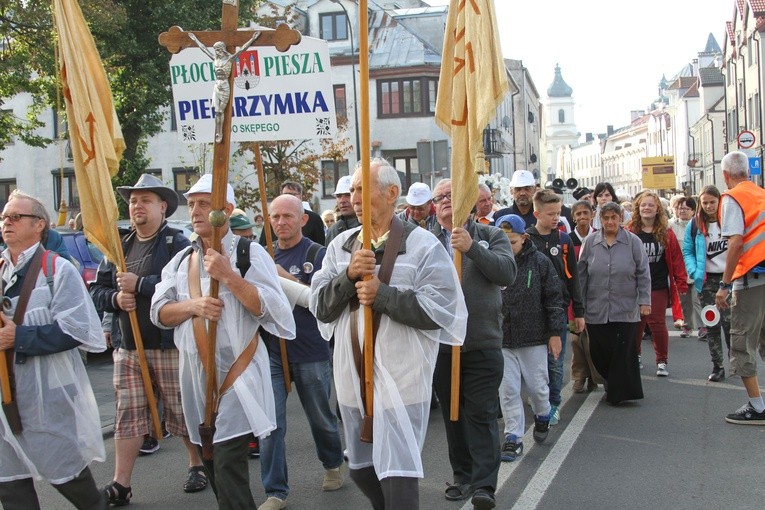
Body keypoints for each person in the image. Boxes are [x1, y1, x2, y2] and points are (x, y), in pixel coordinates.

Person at [310, 160, 468, 510]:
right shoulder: (340, 247)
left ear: (392, 193)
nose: (353, 197)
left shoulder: (423, 245)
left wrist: (383, 295)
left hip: (403, 377)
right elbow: (320, 306)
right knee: (361, 469)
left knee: (398, 473)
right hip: (353, 379)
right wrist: (347, 277)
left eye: (362, 189)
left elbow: (443, 310)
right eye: (351, 190)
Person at [150, 174, 296, 509]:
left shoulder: (249, 252)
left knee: (229, 461)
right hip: (196, 379)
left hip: (238, 377)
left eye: (204, 204)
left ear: (226, 210)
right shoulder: (181, 261)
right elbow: (159, 312)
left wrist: (230, 276)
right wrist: (193, 306)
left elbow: (274, 311)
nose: (196, 211)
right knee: (212, 460)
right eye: (191, 204)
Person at [89, 174, 206, 505]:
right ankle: (120, 483)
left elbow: (185, 286)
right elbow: (97, 290)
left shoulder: (177, 244)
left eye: (145, 200)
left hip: (169, 345)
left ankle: (197, 463)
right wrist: (115, 300)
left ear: (163, 207)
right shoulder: (118, 246)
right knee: (128, 413)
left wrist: (139, 285)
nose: (136, 206)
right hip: (129, 348)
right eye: (132, 200)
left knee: (181, 411)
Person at [0, 190, 107, 510]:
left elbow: (78, 330)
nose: (7, 222)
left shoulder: (57, 270)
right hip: (2, 391)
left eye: (16, 217)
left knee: (67, 472)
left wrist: (19, 337)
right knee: (8, 481)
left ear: (39, 225)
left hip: (46, 392)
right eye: (5, 217)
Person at [430, 178, 516, 509]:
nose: (446, 201)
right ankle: (462, 475)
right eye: (440, 198)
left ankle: (484, 485)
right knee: (453, 415)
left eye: (453, 195)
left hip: (481, 343)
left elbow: (506, 273)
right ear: (434, 207)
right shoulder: (425, 241)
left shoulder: (490, 235)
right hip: (440, 345)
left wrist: (471, 248)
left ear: (468, 200)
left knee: (480, 413)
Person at [258, 194, 344, 510]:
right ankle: (275, 490)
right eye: (275, 217)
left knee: (321, 417)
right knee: (270, 424)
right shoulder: (260, 254)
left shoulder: (317, 254)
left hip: (310, 348)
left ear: (303, 219)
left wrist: (285, 279)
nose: (281, 223)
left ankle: (333, 462)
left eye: (288, 216)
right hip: (271, 350)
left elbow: (324, 302)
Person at [495, 214, 564, 462]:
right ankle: (513, 437)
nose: (507, 248)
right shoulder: (493, 263)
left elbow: (554, 299)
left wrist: (555, 333)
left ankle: (543, 414)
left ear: (524, 238)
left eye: (512, 242)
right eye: (502, 242)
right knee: (508, 390)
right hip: (502, 339)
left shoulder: (540, 263)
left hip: (533, 337)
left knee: (537, 387)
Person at [578, 202, 650, 405]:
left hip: (625, 307)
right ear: (600, 219)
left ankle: (619, 393)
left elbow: (643, 272)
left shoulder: (633, 242)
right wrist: (578, 307)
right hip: (596, 307)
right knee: (599, 350)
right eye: (606, 218)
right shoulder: (590, 242)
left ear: (620, 219)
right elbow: (581, 274)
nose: (610, 222)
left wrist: (645, 301)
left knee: (622, 350)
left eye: (614, 218)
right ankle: (610, 380)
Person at [525, 189, 585, 426]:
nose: (556, 218)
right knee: (534, 361)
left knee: (555, 361)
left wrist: (578, 312)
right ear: (537, 213)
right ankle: (537, 397)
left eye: (559, 213)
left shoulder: (563, 240)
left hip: (557, 309)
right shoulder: (526, 239)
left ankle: (554, 403)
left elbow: (573, 278)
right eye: (551, 214)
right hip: (531, 311)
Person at [714, 151, 765, 425]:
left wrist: (724, 284)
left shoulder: (733, 198)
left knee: (742, 343)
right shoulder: (760, 193)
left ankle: (757, 407)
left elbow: (736, 242)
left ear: (725, 176)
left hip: (750, 281)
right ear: (749, 172)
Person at [628, 191, 688, 377]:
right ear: (638, 208)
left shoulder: (666, 232)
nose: (647, 208)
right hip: (634, 287)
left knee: (658, 324)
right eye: (643, 205)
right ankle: (635, 356)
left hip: (658, 285)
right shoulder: (630, 231)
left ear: (657, 210)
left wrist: (681, 282)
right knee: (636, 324)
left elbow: (677, 259)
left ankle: (662, 361)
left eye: (651, 205)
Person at [682, 185, 730, 382]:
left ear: (719, 201)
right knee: (712, 324)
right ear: (700, 203)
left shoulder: (729, 221)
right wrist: (694, 271)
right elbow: (688, 250)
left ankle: (735, 362)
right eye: (705, 202)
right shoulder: (695, 224)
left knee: (732, 325)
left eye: (713, 202)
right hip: (707, 279)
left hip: (730, 278)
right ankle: (718, 365)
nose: (709, 206)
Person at [187, 31, 261, 143]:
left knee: (221, 110)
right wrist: (195, 40)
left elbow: (242, 49)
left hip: (225, 86)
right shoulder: (215, 59)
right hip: (217, 86)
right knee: (217, 112)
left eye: (218, 50)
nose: (217, 52)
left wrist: (252, 39)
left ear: (223, 49)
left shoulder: (229, 59)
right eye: (216, 50)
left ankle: (220, 132)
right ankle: (218, 133)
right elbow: (204, 49)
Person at [568, 200, 602, 393]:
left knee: (592, 339)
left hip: (595, 293)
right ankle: (579, 376)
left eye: (585, 213)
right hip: (574, 297)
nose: (582, 217)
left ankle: (594, 376)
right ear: (573, 216)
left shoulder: (599, 236)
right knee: (576, 339)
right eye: (578, 214)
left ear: (592, 214)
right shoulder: (567, 239)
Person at [669, 196, 700, 337]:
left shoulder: (698, 225)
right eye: (680, 208)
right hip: (679, 269)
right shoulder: (671, 226)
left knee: (697, 299)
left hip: (695, 267)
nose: (682, 211)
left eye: (686, 208)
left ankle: (703, 327)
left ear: (693, 211)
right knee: (684, 300)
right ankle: (687, 326)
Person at [261, 181, 326, 246]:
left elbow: (320, 243)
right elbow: (263, 244)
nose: (281, 222)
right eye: (285, 194)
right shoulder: (272, 218)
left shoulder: (314, 218)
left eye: (292, 195)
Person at [325, 175, 358, 246]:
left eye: (348, 195)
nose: (342, 201)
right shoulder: (333, 230)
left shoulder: (373, 225)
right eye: (339, 196)